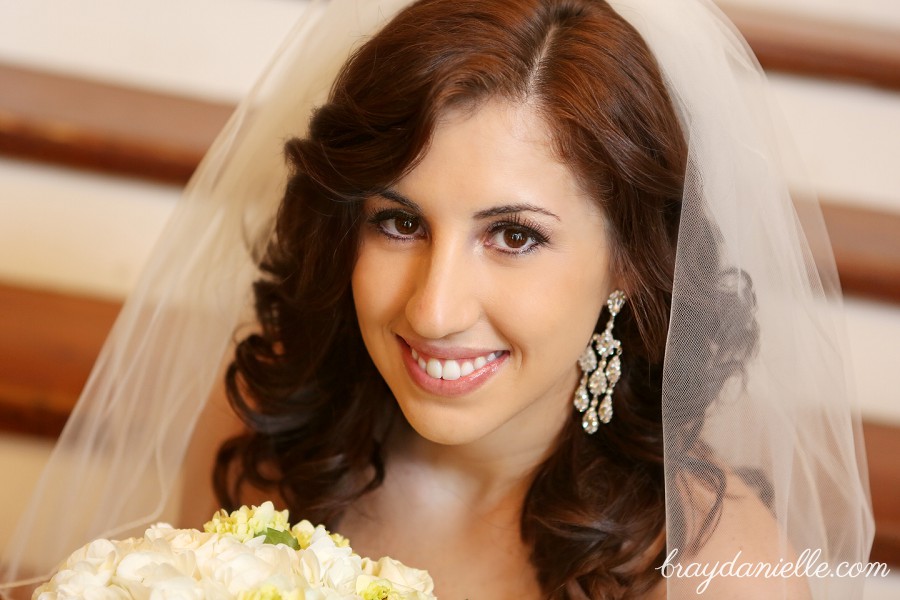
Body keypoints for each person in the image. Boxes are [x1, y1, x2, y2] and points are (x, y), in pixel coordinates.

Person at [0, 0, 874, 598]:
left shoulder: (713, 558)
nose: (433, 309)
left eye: (515, 235)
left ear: (629, 263)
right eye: (398, 222)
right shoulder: (264, 437)